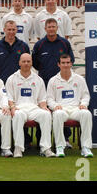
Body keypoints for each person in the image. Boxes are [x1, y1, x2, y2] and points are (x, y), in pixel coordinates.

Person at [32, 17, 75, 148]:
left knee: (61, 108)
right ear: (45, 29)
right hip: (44, 82)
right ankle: (41, 140)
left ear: (57, 28)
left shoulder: (64, 43)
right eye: (49, 27)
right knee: (43, 110)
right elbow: (35, 63)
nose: (51, 29)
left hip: (60, 82)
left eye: (53, 27)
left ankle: (65, 139)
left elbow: (70, 59)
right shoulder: (39, 45)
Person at [0, 20, 30, 148]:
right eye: (9, 29)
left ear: (16, 30)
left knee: (20, 110)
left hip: (19, 85)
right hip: (1, 85)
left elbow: (27, 64)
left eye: (13, 29)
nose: (11, 32)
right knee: (2, 111)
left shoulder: (23, 46)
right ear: (4, 30)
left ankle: (25, 139)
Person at [6, 53, 55, 158]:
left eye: (28, 61)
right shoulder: (12, 79)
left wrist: (44, 107)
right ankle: (18, 149)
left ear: (32, 63)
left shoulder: (38, 79)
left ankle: (45, 148)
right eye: (24, 61)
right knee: (18, 115)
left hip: (33, 108)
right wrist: (12, 108)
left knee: (46, 114)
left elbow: (42, 99)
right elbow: (9, 99)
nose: (26, 64)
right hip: (19, 108)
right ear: (19, 63)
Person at [47, 54, 93, 158]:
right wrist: (55, 106)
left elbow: (85, 95)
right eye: (63, 63)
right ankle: (60, 147)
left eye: (68, 63)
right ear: (59, 64)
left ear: (71, 63)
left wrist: (83, 104)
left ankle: (85, 147)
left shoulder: (79, 79)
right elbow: (49, 99)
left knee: (86, 114)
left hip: (76, 109)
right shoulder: (53, 80)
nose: (66, 65)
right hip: (62, 109)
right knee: (57, 114)